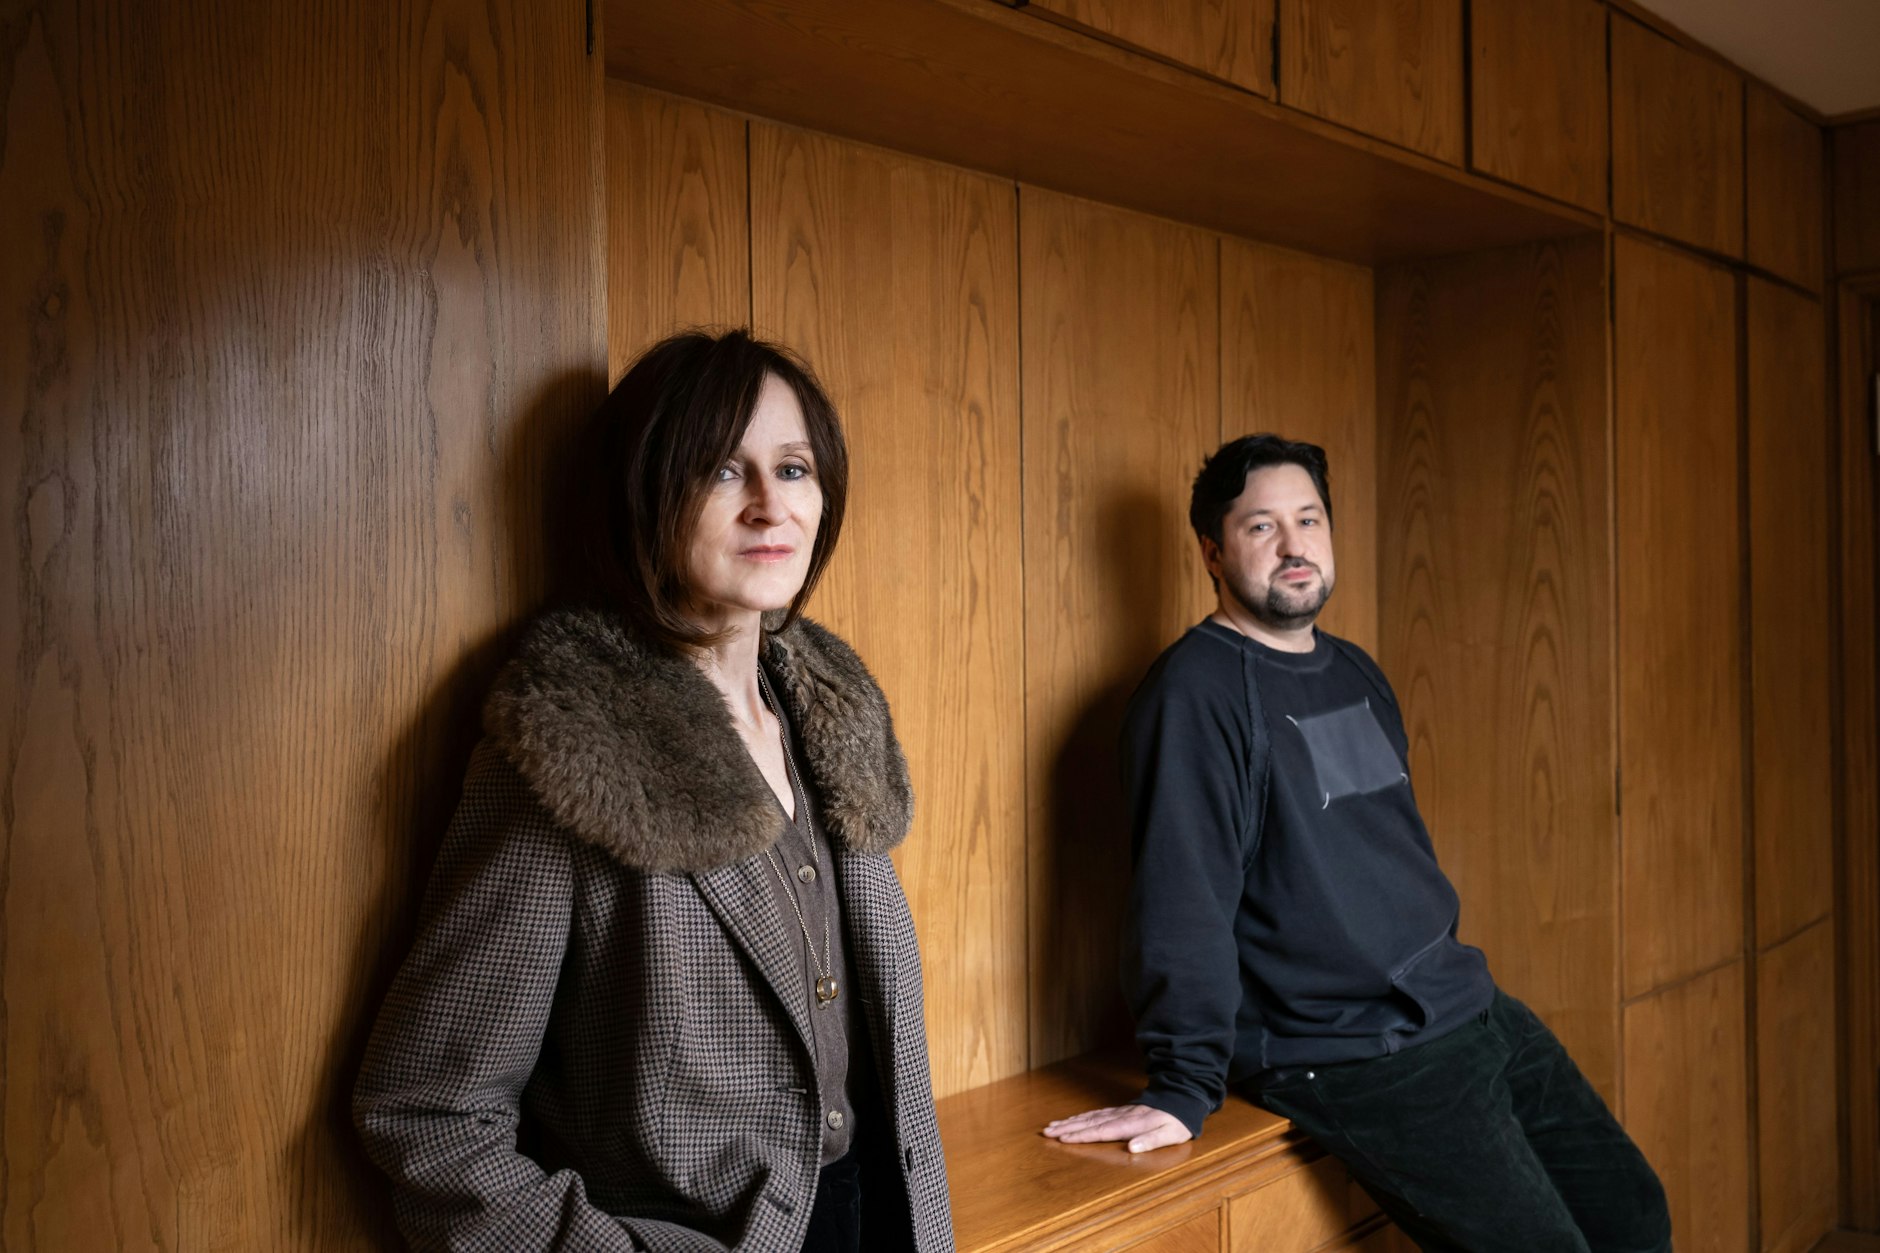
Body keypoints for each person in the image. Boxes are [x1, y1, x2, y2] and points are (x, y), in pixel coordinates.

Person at [354, 329, 953, 1252]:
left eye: (793, 469)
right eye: (722, 470)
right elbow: (429, 1114)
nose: (769, 506)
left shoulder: (834, 723)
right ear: (646, 492)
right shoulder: (564, 748)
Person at [1043, 435, 1670, 1253]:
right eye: (1262, 526)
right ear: (1212, 551)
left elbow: (1387, 857)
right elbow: (1181, 899)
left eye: (1308, 519)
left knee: (1633, 1212)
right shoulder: (1193, 695)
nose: (1294, 544)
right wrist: (1185, 1084)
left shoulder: (1356, 671)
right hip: (1345, 1048)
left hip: (1459, 1006)